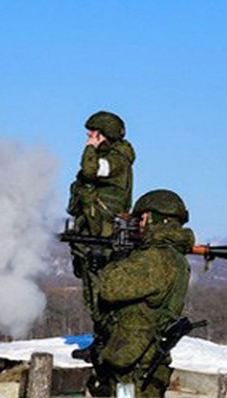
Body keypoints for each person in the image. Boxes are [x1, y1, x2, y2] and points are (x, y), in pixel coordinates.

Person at [90, 189, 193, 398]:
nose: (138, 224)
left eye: (141, 219)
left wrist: (116, 259)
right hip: (143, 362)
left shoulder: (155, 258)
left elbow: (110, 289)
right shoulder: (173, 256)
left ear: (151, 218)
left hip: (133, 372)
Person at [66, 110, 136, 339]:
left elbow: (90, 170)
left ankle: (107, 343)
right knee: (92, 294)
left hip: (104, 238)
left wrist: (90, 148)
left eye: (94, 132)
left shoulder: (115, 161)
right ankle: (102, 341)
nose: (89, 135)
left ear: (105, 134)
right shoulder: (111, 158)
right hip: (94, 234)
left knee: (100, 293)